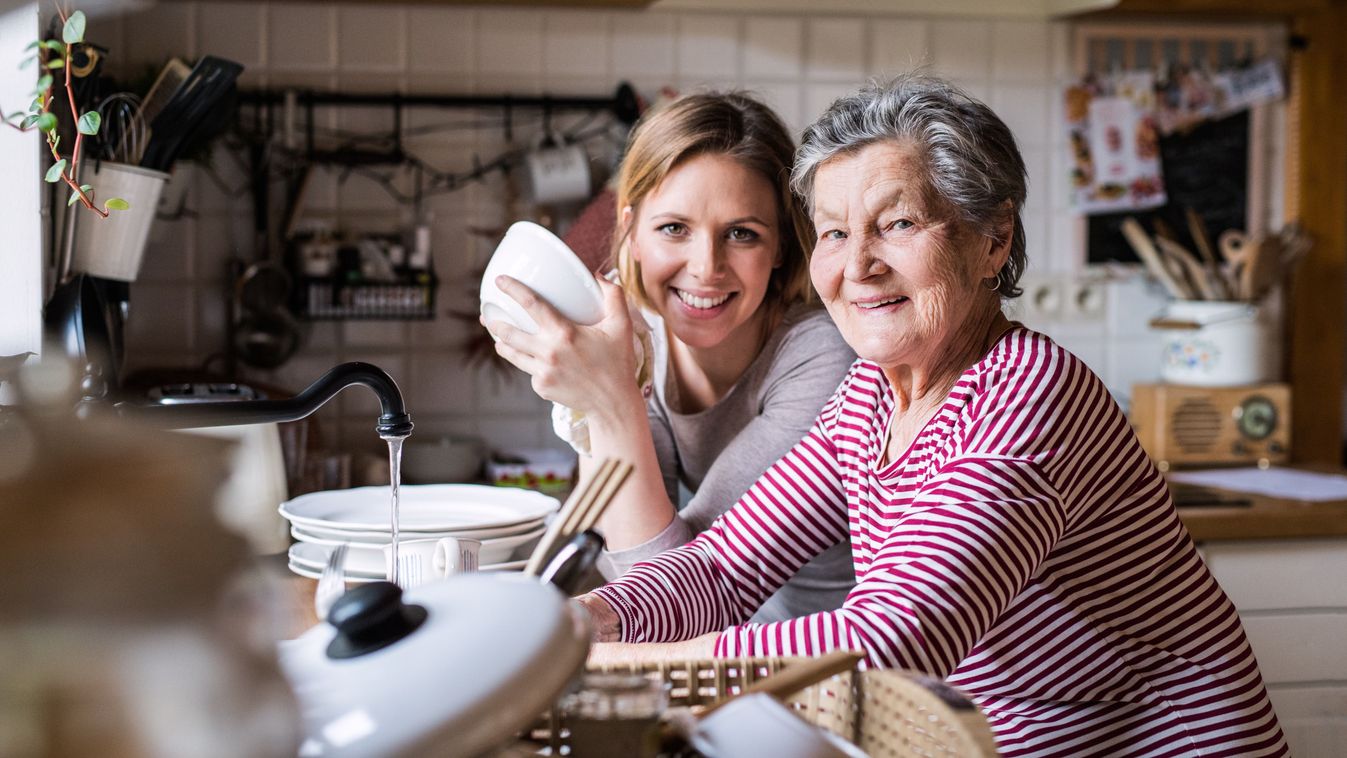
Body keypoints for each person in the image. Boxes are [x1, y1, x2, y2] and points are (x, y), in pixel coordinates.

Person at [574, 75, 1288, 756]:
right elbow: (726, 570)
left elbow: (888, 639)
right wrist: (582, 624)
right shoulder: (870, 396)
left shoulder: (1029, 397)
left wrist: (611, 668)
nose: (858, 266)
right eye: (832, 232)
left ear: (992, 241)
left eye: (898, 224)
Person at [485, 92, 857, 621]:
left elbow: (673, 594)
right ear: (631, 231)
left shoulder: (821, 358)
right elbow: (627, 572)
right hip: (718, 655)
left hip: (822, 665)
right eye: (674, 229)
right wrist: (591, 402)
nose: (707, 267)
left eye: (741, 234)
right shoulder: (637, 336)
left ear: (780, 249)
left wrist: (609, 399)